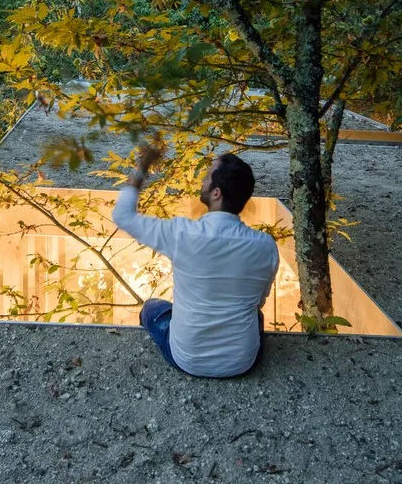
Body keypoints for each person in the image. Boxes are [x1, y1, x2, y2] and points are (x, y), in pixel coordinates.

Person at [112, 141, 279, 377]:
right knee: (254, 314)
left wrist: (143, 166)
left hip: (187, 358)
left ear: (216, 193)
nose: (202, 181)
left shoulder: (182, 235)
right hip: (241, 362)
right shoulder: (266, 246)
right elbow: (257, 303)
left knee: (152, 307)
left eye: (208, 176)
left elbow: (122, 215)